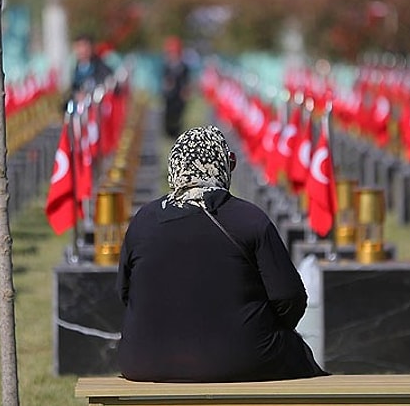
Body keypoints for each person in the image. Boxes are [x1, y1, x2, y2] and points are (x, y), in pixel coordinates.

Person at [117, 125, 328, 382]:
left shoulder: (143, 221)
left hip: (144, 361)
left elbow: (125, 293)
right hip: (244, 358)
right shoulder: (250, 219)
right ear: (223, 165)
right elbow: (290, 297)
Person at [69, 34, 114, 102]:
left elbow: (108, 87)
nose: (82, 50)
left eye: (84, 46)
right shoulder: (75, 71)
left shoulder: (102, 69)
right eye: (78, 46)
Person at [161, 36, 191, 139]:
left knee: (178, 114)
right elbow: (165, 79)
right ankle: (168, 131)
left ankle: (177, 132)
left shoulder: (183, 67)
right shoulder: (167, 65)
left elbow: (186, 81)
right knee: (168, 113)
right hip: (169, 95)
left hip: (179, 95)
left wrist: (185, 91)